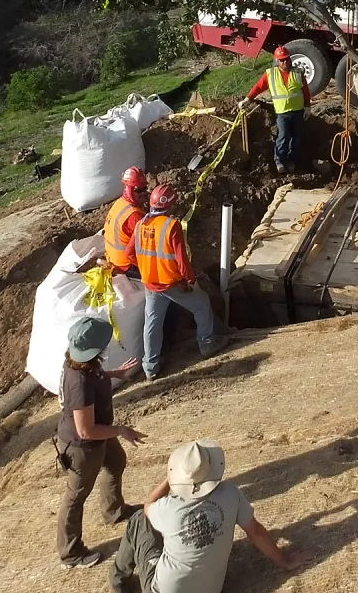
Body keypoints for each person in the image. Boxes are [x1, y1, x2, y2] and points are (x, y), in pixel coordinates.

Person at [112, 439, 313, 593]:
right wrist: (285, 561)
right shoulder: (230, 494)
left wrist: (169, 479)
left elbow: (148, 506)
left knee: (138, 520)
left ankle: (120, 582)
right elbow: (257, 533)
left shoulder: (168, 508)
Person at [55, 316, 145, 568]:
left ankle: (114, 511)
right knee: (75, 496)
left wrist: (113, 374)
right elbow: (86, 430)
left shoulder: (78, 363)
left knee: (116, 462)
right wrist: (120, 430)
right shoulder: (80, 384)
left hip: (98, 437)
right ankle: (70, 553)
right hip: (83, 447)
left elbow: (93, 374)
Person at [134, 184, 228, 381]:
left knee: (152, 323)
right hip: (172, 283)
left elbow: (129, 253)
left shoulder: (141, 224)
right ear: (170, 204)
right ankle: (206, 344)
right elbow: (182, 260)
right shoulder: (171, 226)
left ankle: (150, 367)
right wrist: (190, 281)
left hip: (151, 284)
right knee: (201, 304)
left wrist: (148, 266)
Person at [246, 45, 311, 175]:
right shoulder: (270, 74)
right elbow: (259, 87)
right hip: (282, 113)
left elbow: (305, 90)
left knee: (296, 138)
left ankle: (291, 161)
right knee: (283, 137)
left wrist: (308, 106)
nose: (284, 62)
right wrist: (248, 98)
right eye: (281, 60)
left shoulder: (297, 72)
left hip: (298, 111)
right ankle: (279, 161)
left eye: (286, 59)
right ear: (277, 61)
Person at [104, 168, 150, 275]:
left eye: (144, 188)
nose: (143, 193)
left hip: (112, 256)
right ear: (129, 189)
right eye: (139, 190)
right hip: (125, 264)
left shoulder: (120, 203)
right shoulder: (134, 215)